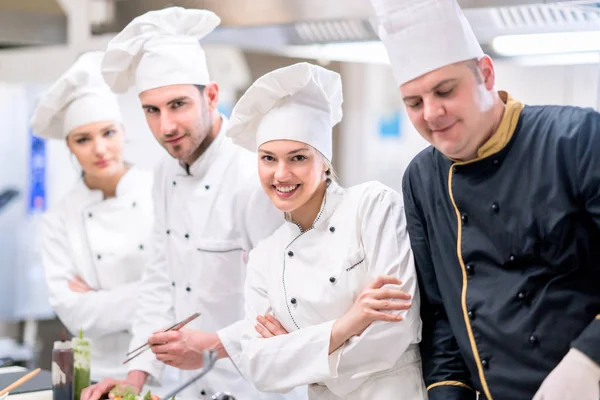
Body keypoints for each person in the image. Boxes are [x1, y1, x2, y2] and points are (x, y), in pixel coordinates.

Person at [368, 0, 600, 399]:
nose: (432, 113)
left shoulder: (577, 139)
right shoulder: (422, 178)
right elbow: (440, 313)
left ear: (486, 74)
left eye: (445, 90)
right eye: (414, 102)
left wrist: (589, 358)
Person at [82, 7, 306, 400]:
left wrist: (211, 346)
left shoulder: (255, 176)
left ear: (212, 96)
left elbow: (291, 303)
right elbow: (159, 282)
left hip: (253, 388)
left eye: (178, 105)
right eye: (151, 110)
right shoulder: (164, 175)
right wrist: (136, 377)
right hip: (184, 388)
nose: (165, 126)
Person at [226, 62, 427, 399]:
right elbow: (259, 367)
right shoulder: (265, 257)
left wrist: (295, 351)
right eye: (268, 158)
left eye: (298, 158)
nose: (281, 174)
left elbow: (398, 328)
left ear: (324, 161)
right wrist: (348, 324)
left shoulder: (372, 206)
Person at [31, 51, 154, 383]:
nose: (99, 149)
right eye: (83, 139)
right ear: (69, 147)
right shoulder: (58, 220)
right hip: (98, 374)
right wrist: (151, 293)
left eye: (108, 133)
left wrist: (102, 300)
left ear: (123, 132)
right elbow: (76, 315)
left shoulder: (160, 192)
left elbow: (186, 289)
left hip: (167, 367)